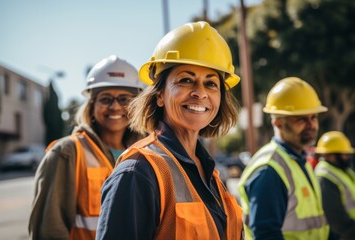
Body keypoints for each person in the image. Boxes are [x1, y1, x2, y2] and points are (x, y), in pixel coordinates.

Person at [96, 21, 243, 240]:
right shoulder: (138, 172)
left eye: (211, 83)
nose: (200, 93)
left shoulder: (211, 173)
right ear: (160, 95)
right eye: (186, 80)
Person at [28, 55, 144, 239]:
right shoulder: (67, 153)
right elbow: (49, 230)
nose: (115, 107)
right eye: (105, 99)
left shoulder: (146, 153)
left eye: (124, 99)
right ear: (91, 106)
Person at [238, 77, 330, 240]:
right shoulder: (268, 170)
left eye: (313, 117)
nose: (311, 124)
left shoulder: (299, 160)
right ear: (278, 123)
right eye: (301, 118)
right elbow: (266, 235)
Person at [315, 131, 355, 240]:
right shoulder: (324, 177)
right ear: (331, 156)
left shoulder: (343, 171)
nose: (348, 157)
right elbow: (336, 220)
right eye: (344, 154)